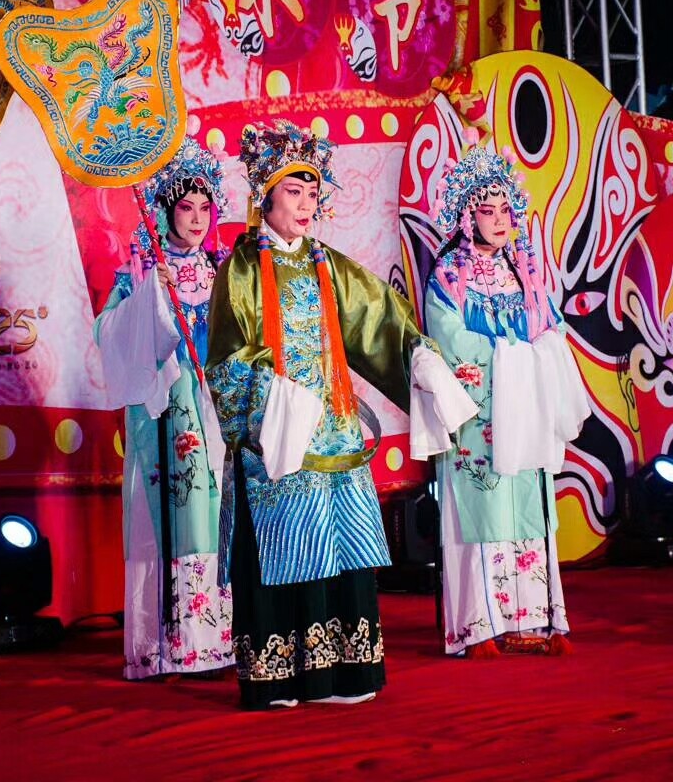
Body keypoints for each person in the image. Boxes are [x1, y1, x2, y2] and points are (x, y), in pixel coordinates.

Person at [205, 120, 473, 709]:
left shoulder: (330, 265)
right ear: (265, 197)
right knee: (284, 551)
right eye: (293, 192)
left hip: (336, 433)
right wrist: (275, 399)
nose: (306, 205)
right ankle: (279, 677)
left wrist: (418, 356)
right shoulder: (241, 270)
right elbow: (224, 361)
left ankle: (345, 673)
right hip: (278, 438)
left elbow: (378, 318)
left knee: (342, 550)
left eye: (312, 192)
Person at [424, 138, 589, 658]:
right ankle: (480, 626)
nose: (499, 220)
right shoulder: (449, 275)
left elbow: (552, 327)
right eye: (487, 211)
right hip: (482, 414)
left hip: (527, 409)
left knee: (529, 506)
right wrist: (512, 357)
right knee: (485, 505)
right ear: (467, 217)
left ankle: (534, 620)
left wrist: (539, 353)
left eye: (504, 209)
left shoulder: (524, 271)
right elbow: (448, 339)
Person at [94, 138, 234, 679]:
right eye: (186, 208)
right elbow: (106, 332)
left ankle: (216, 640)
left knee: (215, 510)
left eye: (205, 208)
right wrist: (150, 296)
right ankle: (169, 644)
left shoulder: (223, 269)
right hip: (166, 406)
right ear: (166, 212)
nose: (197, 219)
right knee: (175, 509)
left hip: (214, 403)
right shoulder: (138, 270)